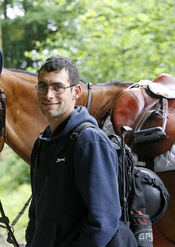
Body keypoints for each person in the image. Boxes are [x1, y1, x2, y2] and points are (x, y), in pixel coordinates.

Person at [25, 56, 121, 247]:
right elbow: (38, 211)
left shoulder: (88, 141)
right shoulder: (42, 143)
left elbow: (104, 221)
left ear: (76, 92)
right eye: (42, 86)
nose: (48, 94)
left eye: (57, 87)